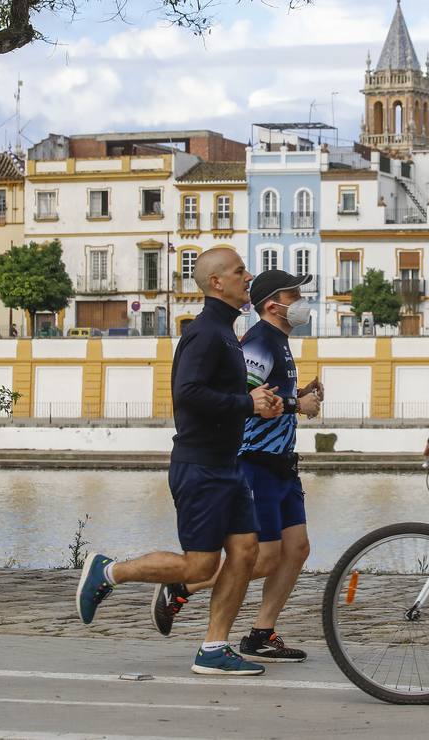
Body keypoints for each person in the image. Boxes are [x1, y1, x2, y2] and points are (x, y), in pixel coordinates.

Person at [75, 248, 283, 676]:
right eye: (240, 271)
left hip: (226, 465)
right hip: (201, 465)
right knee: (200, 565)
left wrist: (263, 403)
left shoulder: (226, 331)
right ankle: (109, 571)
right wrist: (247, 401)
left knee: (244, 553)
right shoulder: (205, 333)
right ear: (216, 283)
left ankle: (213, 648)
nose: (249, 277)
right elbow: (188, 394)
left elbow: (226, 395)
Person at [151, 269, 323, 663]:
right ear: (272, 304)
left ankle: (261, 633)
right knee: (263, 557)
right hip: (255, 461)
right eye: (293, 294)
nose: (301, 300)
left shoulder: (278, 341)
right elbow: (244, 399)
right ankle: (182, 585)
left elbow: (266, 395)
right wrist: (299, 405)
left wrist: (298, 394)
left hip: (282, 463)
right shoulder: (260, 341)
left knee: (297, 549)